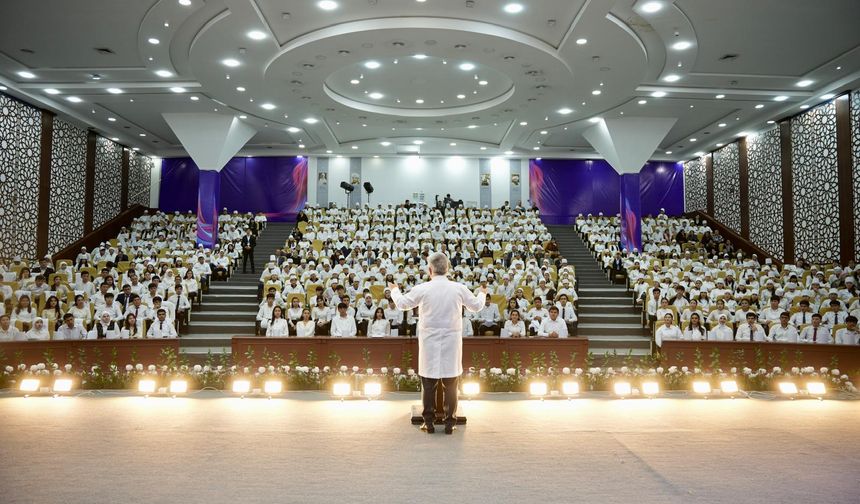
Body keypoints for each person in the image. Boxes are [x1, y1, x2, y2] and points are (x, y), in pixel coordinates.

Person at [389, 252, 486, 434]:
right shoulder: (458, 288)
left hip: (430, 341)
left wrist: (394, 289)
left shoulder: (423, 288)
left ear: (430, 269)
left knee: (428, 382)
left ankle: (429, 423)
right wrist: (482, 294)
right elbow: (476, 306)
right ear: (447, 269)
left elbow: (402, 304)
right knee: (451, 382)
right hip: (451, 339)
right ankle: (450, 423)